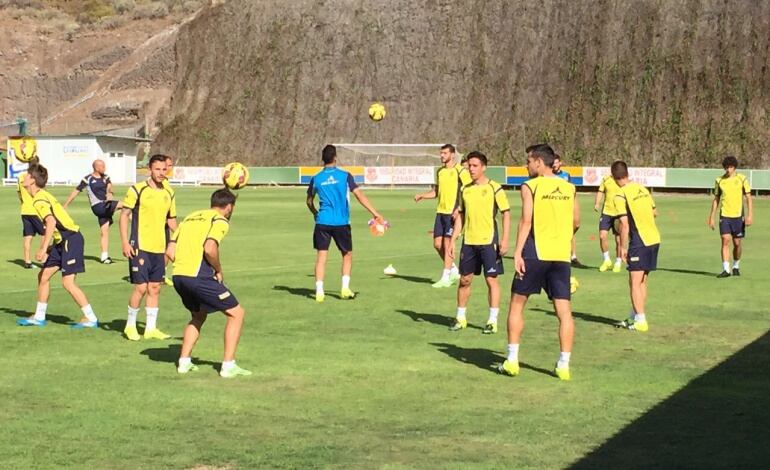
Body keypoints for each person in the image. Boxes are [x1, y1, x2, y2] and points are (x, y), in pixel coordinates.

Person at [500, 144, 578, 380]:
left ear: (539, 163)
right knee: (564, 313)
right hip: (561, 255)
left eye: (529, 161)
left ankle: (512, 360)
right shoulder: (569, 187)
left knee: (516, 304)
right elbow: (576, 222)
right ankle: (564, 364)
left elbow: (525, 221)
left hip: (535, 252)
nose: (526, 165)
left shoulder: (530, 186)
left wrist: (517, 252)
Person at [167, 188, 251, 378]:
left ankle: (184, 362)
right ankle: (228, 366)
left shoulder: (189, 217)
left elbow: (170, 251)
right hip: (198, 277)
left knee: (198, 315)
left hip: (178, 276)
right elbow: (210, 248)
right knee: (236, 313)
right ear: (229, 207)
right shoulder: (219, 220)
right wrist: (218, 270)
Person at [16, 163, 99, 328]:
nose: (23, 179)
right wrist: (50, 247)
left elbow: (51, 221)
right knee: (43, 276)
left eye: (26, 176)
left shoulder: (39, 199)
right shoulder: (42, 195)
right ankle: (39, 316)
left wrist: (42, 247)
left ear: (32, 180)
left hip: (71, 239)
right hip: (61, 241)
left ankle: (91, 318)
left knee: (68, 283)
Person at [306, 144, 383, 302]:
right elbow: (359, 195)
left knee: (321, 257)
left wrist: (315, 213)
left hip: (323, 222)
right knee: (347, 255)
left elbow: (308, 201)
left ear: (322, 159)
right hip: (341, 223)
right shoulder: (345, 176)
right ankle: (345, 289)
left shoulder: (316, 179)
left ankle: (319, 292)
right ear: (335, 157)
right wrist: (375, 213)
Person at [448, 151, 510, 334]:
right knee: (465, 280)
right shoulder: (465, 189)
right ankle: (460, 317)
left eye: (475, 166)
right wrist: (453, 240)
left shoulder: (494, 188)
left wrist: (505, 240)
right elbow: (460, 216)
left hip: (489, 241)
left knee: (491, 280)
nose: (471, 169)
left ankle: (492, 320)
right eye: (469, 166)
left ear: (484, 167)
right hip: (469, 241)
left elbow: (506, 213)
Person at [120, 154, 178, 340]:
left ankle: (151, 328)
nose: (161, 173)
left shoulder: (169, 193)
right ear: (149, 170)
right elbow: (124, 215)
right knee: (141, 288)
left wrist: (178, 239)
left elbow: (171, 219)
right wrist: (125, 242)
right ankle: (130, 326)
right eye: (157, 169)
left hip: (159, 247)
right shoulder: (138, 190)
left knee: (155, 288)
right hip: (140, 246)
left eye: (164, 169)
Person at [612, 160, 660, 333]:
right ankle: (635, 315)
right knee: (641, 281)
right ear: (627, 173)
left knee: (634, 282)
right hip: (654, 237)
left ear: (614, 177)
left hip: (640, 241)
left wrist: (622, 248)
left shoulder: (620, 195)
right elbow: (655, 212)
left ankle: (641, 320)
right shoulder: (642, 189)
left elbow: (624, 225)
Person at [414, 144, 471, 287]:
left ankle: (445, 277)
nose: (441, 156)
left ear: (452, 155)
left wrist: (459, 208)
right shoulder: (440, 171)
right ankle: (453, 270)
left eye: (444, 153)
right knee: (437, 244)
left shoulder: (460, 171)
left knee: (448, 243)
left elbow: (469, 191)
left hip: (453, 213)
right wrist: (423, 196)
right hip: (440, 212)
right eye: (441, 153)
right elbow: (436, 192)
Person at [63, 159, 122, 264]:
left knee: (104, 231)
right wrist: (66, 204)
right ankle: (138, 221)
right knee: (127, 204)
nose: (105, 168)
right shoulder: (87, 179)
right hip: (98, 206)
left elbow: (109, 186)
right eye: (103, 167)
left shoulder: (106, 177)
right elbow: (76, 191)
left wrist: (109, 193)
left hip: (106, 205)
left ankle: (104, 257)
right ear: (97, 167)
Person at [707, 156, 753, 278]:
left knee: (737, 243)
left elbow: (748, 197)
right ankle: (726, 270)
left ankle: (736, 265)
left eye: (731, 167)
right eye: (726, 167)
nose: (728, 170)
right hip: (725, 216)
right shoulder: (719, 180)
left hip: (738, 216)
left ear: (735, 167)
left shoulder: (742, 179)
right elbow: (716, 199)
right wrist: (711, 216)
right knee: (725, 240)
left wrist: (750, 215)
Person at [554, 154, 583, 268]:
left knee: (571, 230)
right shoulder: (549, 176)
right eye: (553, 162)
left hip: (566, 206)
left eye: (556, 162)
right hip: (555, 207)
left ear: (560, 163)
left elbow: (572, 190)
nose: (555, 164)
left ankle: (573, 256)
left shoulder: (566, 175)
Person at [17, 158, 45, 269]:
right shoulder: (35, 177)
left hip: (24, 210)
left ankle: (27, 261)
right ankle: (43, 258)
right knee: (45, 233)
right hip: (35, 210)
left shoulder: (21, 177)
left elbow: (19, 193)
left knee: (28, 236)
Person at [594, 172, 623, 273]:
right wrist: (597, 203)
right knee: (602, 236)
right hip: (606, 212)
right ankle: (606, 260)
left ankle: (618, 262)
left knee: (619, 240)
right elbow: (600, 191)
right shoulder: (606, 179)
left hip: (619, 213)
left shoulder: (622, 180)